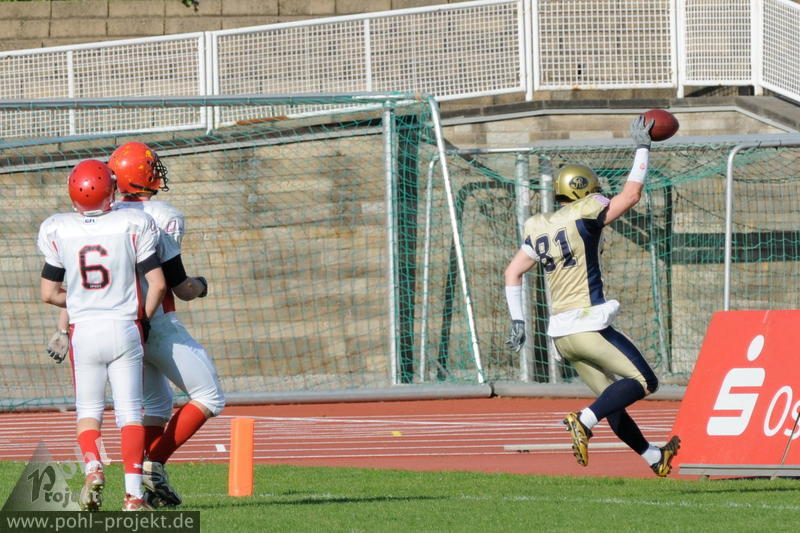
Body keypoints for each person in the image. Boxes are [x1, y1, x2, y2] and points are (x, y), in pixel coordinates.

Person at [503, 116, 681, 477]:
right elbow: (630, 195)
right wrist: (642, 148)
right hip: (588, 324)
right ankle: (583, 420)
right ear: (584, 190)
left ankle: (653, 457)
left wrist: (518, 320)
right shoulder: (587, 211)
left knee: (610, 401)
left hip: (561, 335)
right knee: (645, 382)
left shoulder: (539, 225)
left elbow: (513, 272)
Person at [38, 159, 167, 511]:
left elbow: (49, 293)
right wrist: (142, 318)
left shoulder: (58, 228)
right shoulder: (133, 223)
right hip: (124, 326)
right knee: (130, 414)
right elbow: (157, 285)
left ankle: (93, 465)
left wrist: (84, 300)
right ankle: (134, 496)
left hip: (84, 330)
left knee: (88, 410)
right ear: (111, 191)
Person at [108, 141, 225, 507]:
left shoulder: (104, 216)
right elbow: (181, 288)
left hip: (120, 326)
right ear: (143, 174)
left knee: (157, 406)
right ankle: (153, 463)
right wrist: (202, 285)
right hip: (155, 321)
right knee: (210, 396)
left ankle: (140, 487)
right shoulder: (162, 215)